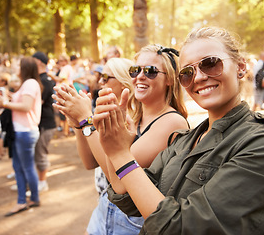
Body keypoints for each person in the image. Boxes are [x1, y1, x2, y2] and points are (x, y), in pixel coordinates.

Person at [93, 27, 264, 234]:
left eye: (211, 64)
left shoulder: (263, 144)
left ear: (240, 67)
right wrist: (111, 142)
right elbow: (126, 196)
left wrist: (121, 154)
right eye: (187, 72)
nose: (198, 78)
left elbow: (181, 229)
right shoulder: (184, 140)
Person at [53, 45, 189, 235]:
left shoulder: (172, 122)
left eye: (150, 71)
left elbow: (116, 180)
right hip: (104, 212)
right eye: (135, 70)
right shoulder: (133, 116)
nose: (140, 76)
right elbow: (90, 162)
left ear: (170, 80)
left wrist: (86, 120)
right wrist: (77, 123)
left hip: (132, 224)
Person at [0, 57, 42, 216]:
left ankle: (28, 200)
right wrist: (1, 109)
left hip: (25, 132)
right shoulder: (27, 84)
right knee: (19, 167)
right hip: (21, 131)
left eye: (17, 66)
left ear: (24, 68)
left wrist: (5, 104)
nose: (15, 68)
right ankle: (26, 200)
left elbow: (26, 107)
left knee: (25, 167)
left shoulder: (29, 84)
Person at [32, 51, 56, 193]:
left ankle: (42, 182)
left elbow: (37, 102)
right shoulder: (40, 79)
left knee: (41, 153)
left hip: (46, 124)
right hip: (41, 124)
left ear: (39, 62)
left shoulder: (45, 80)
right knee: (37, 153)